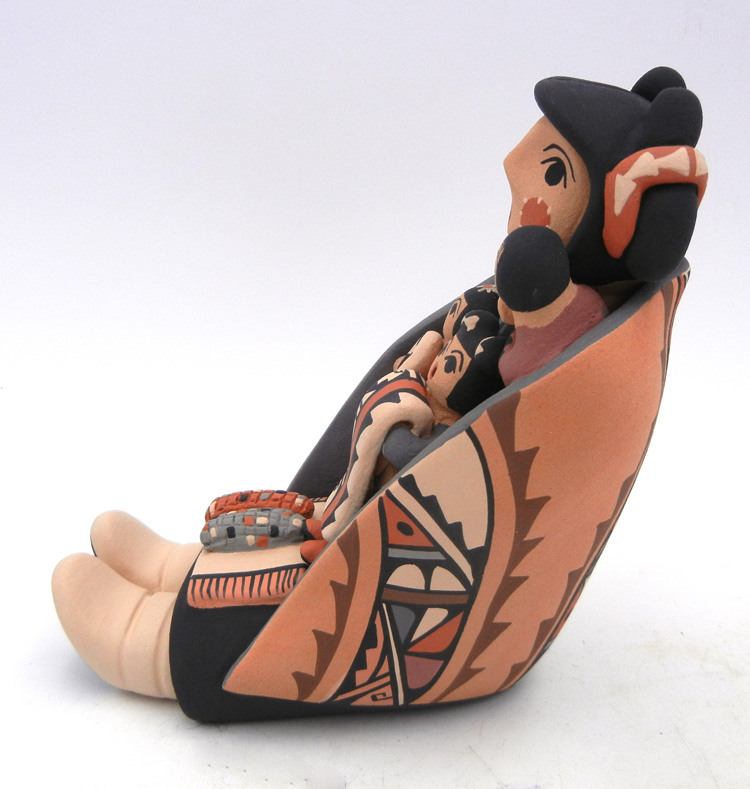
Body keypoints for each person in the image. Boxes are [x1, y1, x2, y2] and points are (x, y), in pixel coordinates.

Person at [52, 67, 707, 715]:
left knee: (327, 562)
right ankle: (188, 570)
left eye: (553, 173)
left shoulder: (571, 332)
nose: (517, 179)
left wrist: (416, 428)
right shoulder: (526, 304)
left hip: (428, 517)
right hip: (397, 462)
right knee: (315, 521)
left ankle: (159, 642)